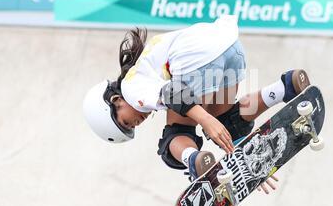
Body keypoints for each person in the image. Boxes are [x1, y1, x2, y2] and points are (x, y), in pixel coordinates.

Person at [82, 15, 310, 194]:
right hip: (230, 46)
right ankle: (285, 87)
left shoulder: (131, 88)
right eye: (131, 129)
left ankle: (193, 159)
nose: (135, 124)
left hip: (196, 57)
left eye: (125, 122)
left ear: (115, 101)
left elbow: (173, 93)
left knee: (175, 136)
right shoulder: (147, 69)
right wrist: (245, 158)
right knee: (229, 122)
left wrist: (205, 120)